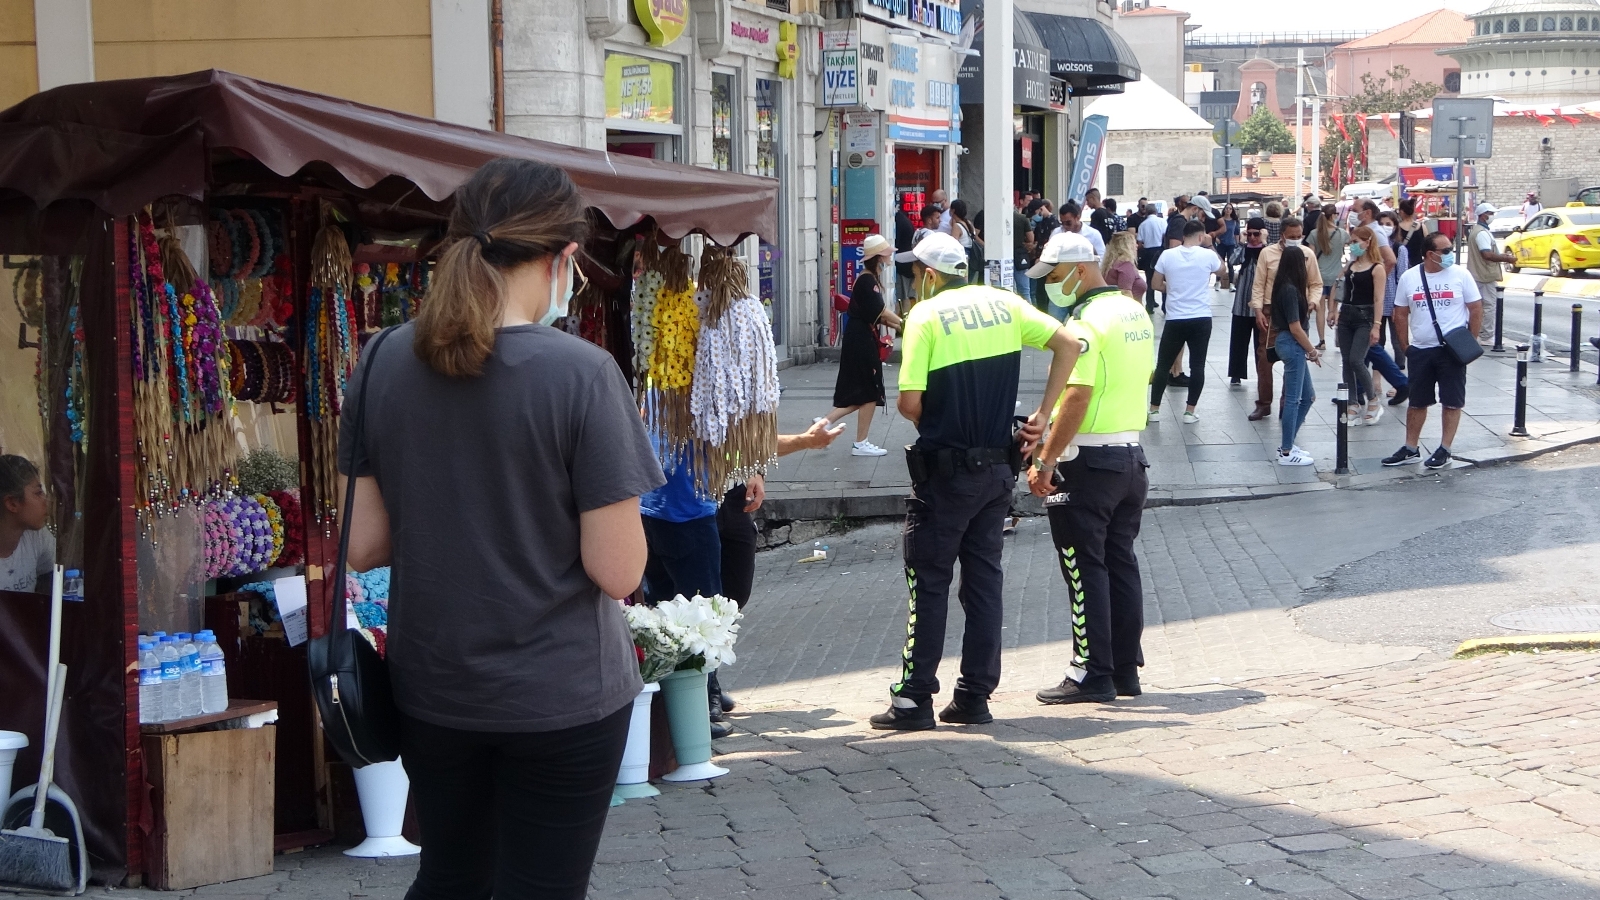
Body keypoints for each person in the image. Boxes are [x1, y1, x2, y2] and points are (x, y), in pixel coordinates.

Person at [336, 158, 664, 900]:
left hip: (434, 690)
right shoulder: (582, 375)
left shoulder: (382, 359)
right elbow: (619, 572)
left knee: (451, 877)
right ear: (564, 259)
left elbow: (362, 547)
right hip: (561, 694)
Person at [872, 232, 1083, 731]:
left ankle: (913, 698)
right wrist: (1042, 415)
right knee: (984, 583)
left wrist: (935, 422)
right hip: (996, 473)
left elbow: (907, 403)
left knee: (929, 581)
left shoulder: (925, 315)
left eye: (912, 275)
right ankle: (974, 696)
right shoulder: (1005, 303)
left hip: (943, 475)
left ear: (927, 276)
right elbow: (1069, 343)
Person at [1025, 232, 1155, 705]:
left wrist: (1046, 458)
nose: (1050, 286)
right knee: (1120, 563)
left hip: (1088, 462)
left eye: (1054, 276)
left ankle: (1090, 671)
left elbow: (1077, 395)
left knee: (1083, 569)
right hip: (1129, 457)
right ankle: (1124, 668)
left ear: (1079, 269)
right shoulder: (1133, 310)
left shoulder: (1085, 323)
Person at [1384, 233, 1483, 470]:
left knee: (1452, 401)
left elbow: (1476, 308)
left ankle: (1445, 449)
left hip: (1451, 350)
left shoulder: (1461, 275)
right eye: (1446, 250)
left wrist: (1471, 340)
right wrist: (1406, 346)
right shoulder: (1410, 277)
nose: (1450, 253)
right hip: (1421, 350)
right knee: (1417, 402)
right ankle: (1410, 447)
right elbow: (1400, 312)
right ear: (1430, 254)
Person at [824, 234, 905, 456]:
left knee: (863, 392)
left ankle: (825, 422)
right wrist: (903, 324)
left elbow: (880, 315)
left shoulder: (869, 279)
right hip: (861, 339)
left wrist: (900, 325)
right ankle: (860, 443)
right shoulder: (868, 282)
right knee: (869, 392)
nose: (889, 257)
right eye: (886, 254)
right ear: (878, 258)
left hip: (861, 337)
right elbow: (880, 313)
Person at [1248, 216, 1322, 421]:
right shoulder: (1267, 253)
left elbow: (1316, 283)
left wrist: (1313, 302)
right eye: (1292, 237)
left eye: (1299, 236)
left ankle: (1286, 404)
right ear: (1282, 235)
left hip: (1298, 309)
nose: (1296, 240)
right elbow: (1258, 283)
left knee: (1295, 358)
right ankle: (1264, 404)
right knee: (1264, 358)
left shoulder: (1307, 254)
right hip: (1271, 310)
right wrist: (1258, 310)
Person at [1149, 220, 1222, 424]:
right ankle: (1190, 411)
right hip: (1200, 317)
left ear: (1183, 235)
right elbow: (1223, 271)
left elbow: (1155, 284)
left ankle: (1154, 410)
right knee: (1197, 365)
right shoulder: (1207, 254)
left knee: (1163, 364)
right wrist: (1209, 245)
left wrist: (1170, 288)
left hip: (1175, 318)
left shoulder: (1167, 255)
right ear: (1201, 236)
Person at [1272, 246, 1322, 466]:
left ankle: (1288, 443)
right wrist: (1312, 350)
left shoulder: (1285, 287)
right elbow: (1295, 327)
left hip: (1290, 344)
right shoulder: (1290, 290)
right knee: (1293, 398)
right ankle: (1285, 451)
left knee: (1307, 396)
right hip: (1292, 345)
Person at [1334, 226, 1387, 426]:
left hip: (1365, 316)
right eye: (1351, 242)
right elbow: (1339, 285)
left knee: (1357, 359)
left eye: (1356, 242)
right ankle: (1353, 402)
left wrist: (1377, 325)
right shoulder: (1351, 265)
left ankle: (1373, 399)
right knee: (1347, 361)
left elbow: (1378, 299)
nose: (1353, 246)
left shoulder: (1377, 267)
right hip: (1346, 314)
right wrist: (1333, 309)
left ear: (1368, 242)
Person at [0, 455, 53, 594]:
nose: (45, 501)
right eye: (38, 493)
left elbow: (55, 575)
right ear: (12, 503)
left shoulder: (37, 536)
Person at [1227, 218, 1269, 389]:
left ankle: (1263, 372)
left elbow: (1271, 265)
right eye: (1249, 233)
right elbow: (1232, 261)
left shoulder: (1269, 249)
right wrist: (1242, 243)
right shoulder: (1244, 247)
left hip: (1261, 305)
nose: (1252, 237)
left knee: (1261, 343)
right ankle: (1236, 374)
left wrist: (1264, 243)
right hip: (1242, 303)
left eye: (1256, 234)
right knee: (1238, 341)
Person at [1466, 202, 1515, 342]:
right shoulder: (1481, 233)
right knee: (1488, 306)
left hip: (1478, 274)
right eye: (1490, 214)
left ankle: (1479, 333)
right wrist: (1506, 258)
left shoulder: (1479, 231)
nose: (1492, 216)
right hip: (1484, 275)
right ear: (1483, 215)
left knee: (1480, 305)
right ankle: (1486, 335)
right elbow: (1486, 254)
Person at [1313, 206, 1350, 351]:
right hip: (1337, 276)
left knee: (1320, 310)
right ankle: (1339, 337)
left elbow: (1311, 256)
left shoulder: (1314, 234)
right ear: (1334, 215)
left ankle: (1322, 341)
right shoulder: (1342, 234)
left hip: (1318, 276)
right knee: (1334, 309)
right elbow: (1352, 253)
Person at [1136, 202, 1167, 312]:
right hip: (1160, 251)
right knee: (1164, 278)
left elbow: (1139, 243)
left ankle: (1149, 305)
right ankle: (1165, 306)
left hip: (1148, 252)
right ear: (1156, 211)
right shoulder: (1162, 222)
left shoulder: (1143, 225)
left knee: (1149, 279)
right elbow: (1165, 236)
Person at [1101, 231, 1146, 299]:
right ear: (1127, 246)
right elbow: (1125, 293)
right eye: (1134, 243)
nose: (1136, 245)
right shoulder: (1125, 265)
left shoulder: (1111, 264)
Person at [949, 198, 984, 278]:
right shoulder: (968, 222)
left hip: (963, 256)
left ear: (953, 210)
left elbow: (953, 244)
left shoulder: (957, 226)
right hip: (972, 256)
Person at [894, 206, 916, 314]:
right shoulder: (904, 219)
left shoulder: (898, 221)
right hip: (907, 264)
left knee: (901, 296)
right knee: (906, 296)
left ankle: (901, 325)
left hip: (901, 265)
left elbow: (895, 243)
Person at [1015, 201, 1037, 305]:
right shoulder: (1022, 219)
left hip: (998, 257)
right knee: (1025, 291)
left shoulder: (994, 218)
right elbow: (1030, 238)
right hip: (1020, 256)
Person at [1217, 204, 1240, 289]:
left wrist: (1237, 244)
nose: (1228, 210)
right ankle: (1218, 282)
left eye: (1230, 209)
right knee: (1220, 263)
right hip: (1222, 243)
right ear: (1224, 209)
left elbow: (1236, 233)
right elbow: (1216, 230)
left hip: (1231, 244)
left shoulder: (1234, 222)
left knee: (1231, 264)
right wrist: (1216, 239)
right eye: (1227, 208)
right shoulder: (1220, 220)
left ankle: (1231, 284)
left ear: (1232, 210)